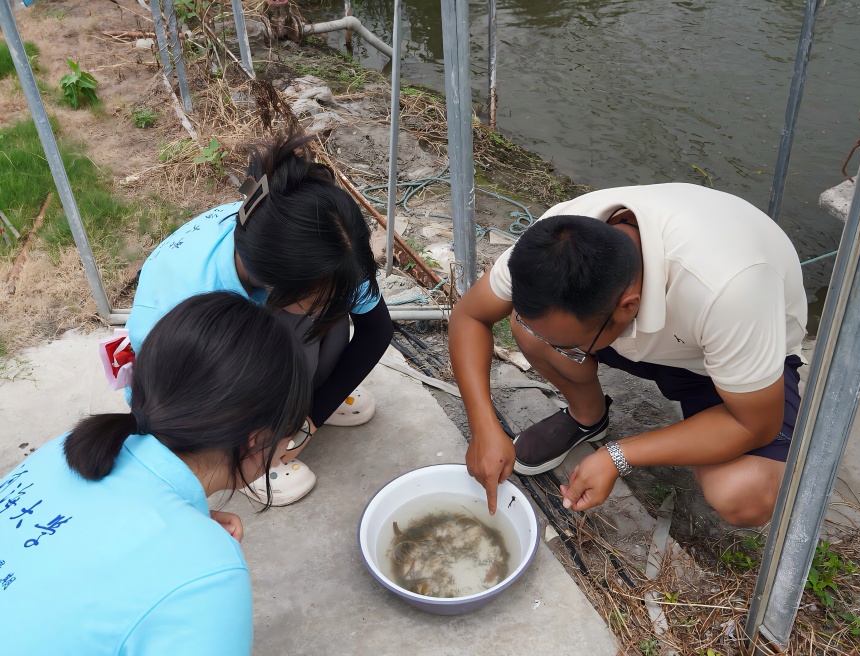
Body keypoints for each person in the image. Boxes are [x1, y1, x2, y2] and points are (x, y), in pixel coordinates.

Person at [449, 183, 807, 527]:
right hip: (638, 333)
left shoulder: (728, 289)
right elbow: (470, 316)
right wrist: (484, 427)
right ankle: (587, 418)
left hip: (719, 360)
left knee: (743, 494)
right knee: (530, 327)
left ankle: (758, 420)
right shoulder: (556, 242)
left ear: (627, 307)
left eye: (570, 345)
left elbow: (753, 424)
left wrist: (617, 456)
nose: (560, 350)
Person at [0, 292, 311, 654]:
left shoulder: (65, 449)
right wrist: (192, 549)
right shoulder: (208, 578)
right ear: (256, 441)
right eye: (292, 434)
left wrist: (181, 527)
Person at [125, 129, 392, 506]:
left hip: (261, 313)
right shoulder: (187, 300)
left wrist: (314, 415)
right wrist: (245, 446)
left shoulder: (327, 245)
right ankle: (257, 452)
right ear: (275, 286)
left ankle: (297, 409)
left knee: (325, 317)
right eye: (317, 296)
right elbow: (167, 405)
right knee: (280, 344)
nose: (338, 300)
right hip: (193, 381)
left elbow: (375, 329)